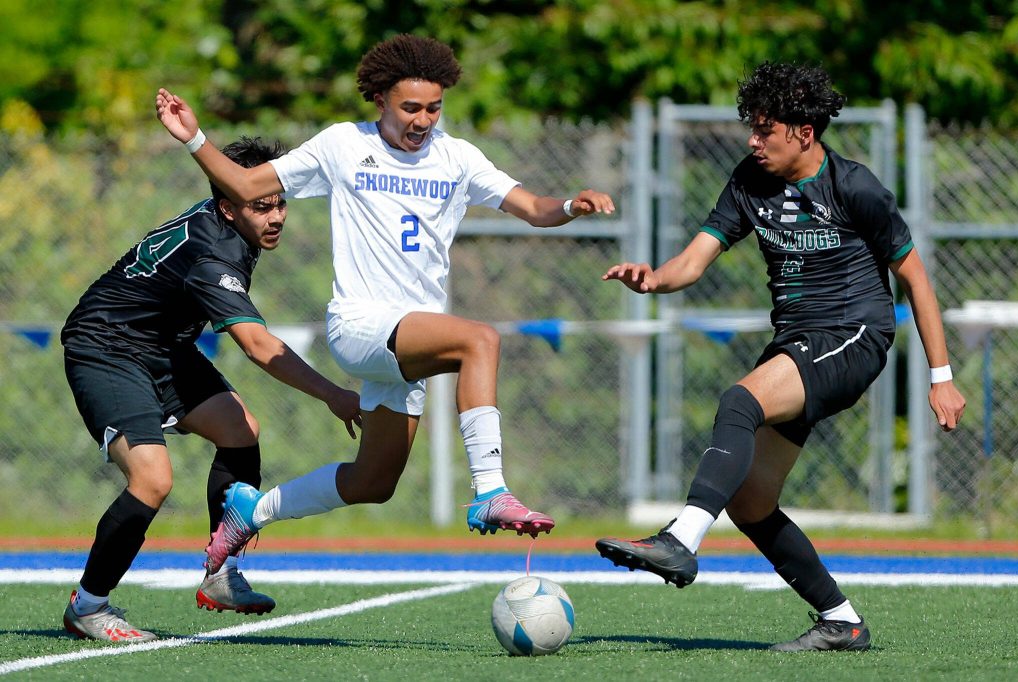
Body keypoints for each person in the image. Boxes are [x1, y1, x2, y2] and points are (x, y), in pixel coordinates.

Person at [154, 34, 616, 572]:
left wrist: (569, 204)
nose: (423, 120)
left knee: (372, 482)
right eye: (411, 108)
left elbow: (534, 209)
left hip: (410, 336)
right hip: (360, 324)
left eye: (434, 108)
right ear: (381, 101)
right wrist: (195, 139)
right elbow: (243, 182)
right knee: (479, 340)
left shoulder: (458, 157)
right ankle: (490, 490)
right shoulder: (343, 145)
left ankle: (253, 510)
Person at [595, 61, 966, 652]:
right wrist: (652, 279)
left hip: (854, 335)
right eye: (752, 127)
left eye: (765, 129)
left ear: (804, 132)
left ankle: (682, 540)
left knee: (738, 400)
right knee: (750, 500)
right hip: (797, 342)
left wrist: (941, 377)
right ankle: (841, 620)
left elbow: (917, 280)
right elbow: (691, 264)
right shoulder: (748, 180)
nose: (752, 139)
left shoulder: (856, 186)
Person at [60, 137, 362, 643]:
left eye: (280, 202)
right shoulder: (215, 255)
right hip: (106, 345)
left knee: (240, 430)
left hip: (160, 346)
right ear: (227, 206)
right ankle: (88, 606)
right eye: (261, 205)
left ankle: (220, 573)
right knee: (152, 479)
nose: (277, 216)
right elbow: (259, 347)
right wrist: (334, 394)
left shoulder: (226, 220)